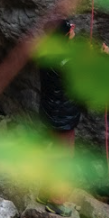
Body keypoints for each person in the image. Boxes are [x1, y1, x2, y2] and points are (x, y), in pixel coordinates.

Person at [38, 18, 82, 148]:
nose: (73, 28)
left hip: (50, 113)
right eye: (70, 28)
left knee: (53, 147)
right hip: (63, 119)